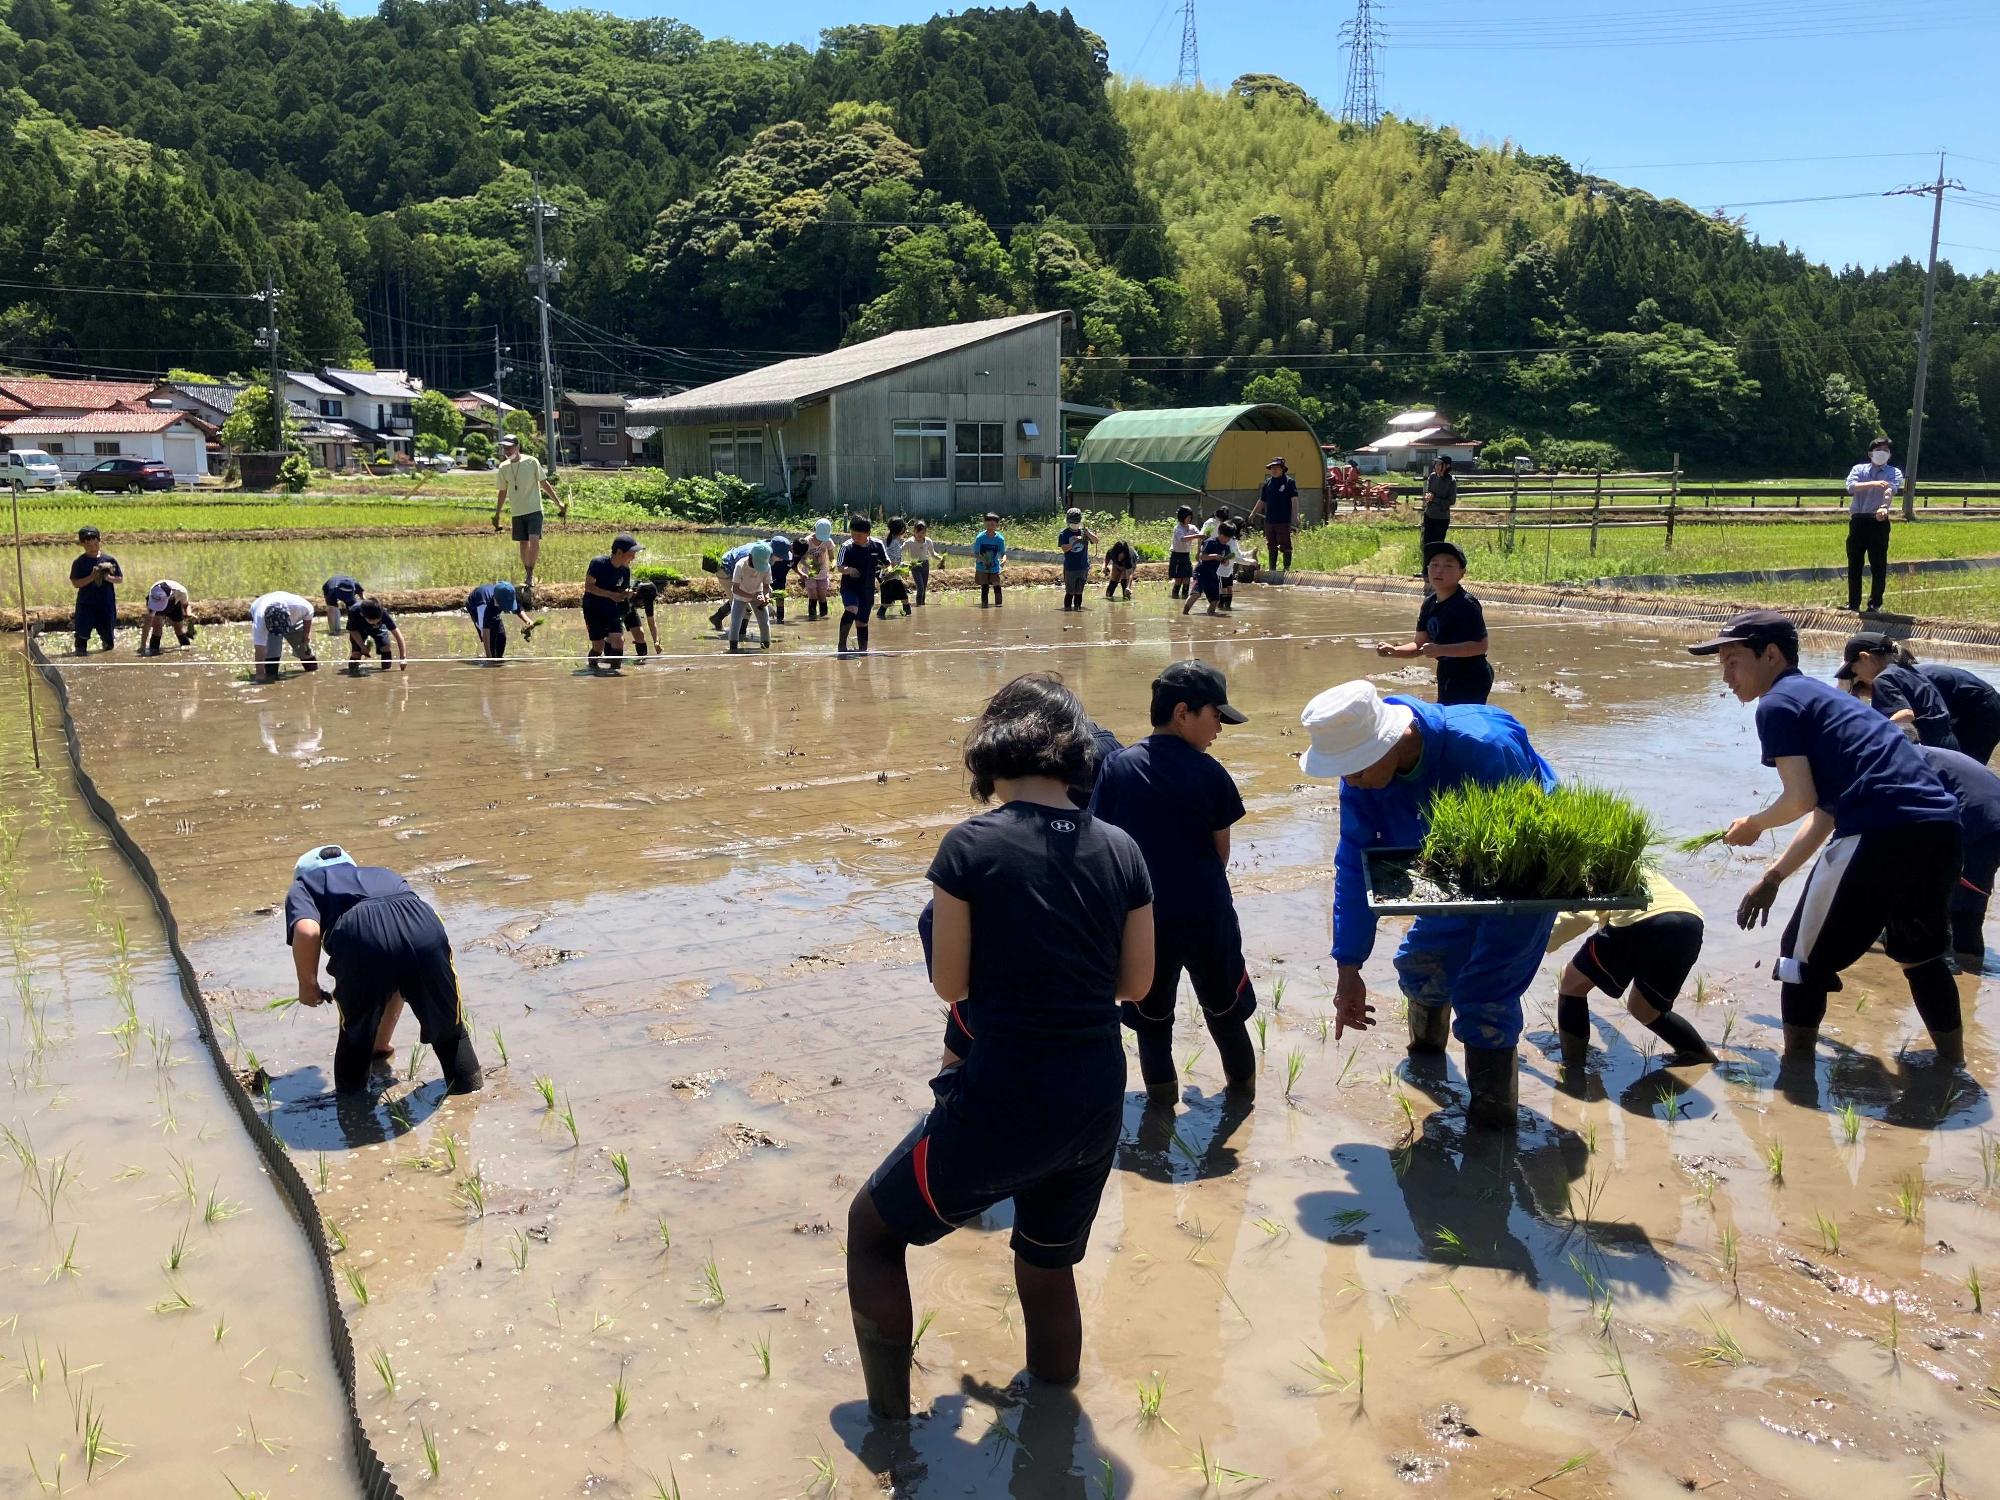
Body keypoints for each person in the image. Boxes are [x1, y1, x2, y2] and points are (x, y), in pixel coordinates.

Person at [845, 675, 1153, 1420]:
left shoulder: (969, 846)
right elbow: (1135, 985)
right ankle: (1054, 1419)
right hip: (1095, 1094)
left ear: (989, 752)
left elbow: (949, 981)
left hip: (1006, 1092)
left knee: (873, 1230)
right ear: (1076, 757)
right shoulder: (1120, 848)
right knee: (1048, 1265)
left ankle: (890, 1424)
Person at [1690, 609, 1965, 1067]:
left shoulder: (1778, 704)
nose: (1726, 675)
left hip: (1883, 832)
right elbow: (1824, 813)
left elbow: (1798, 799)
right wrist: (1775, 876)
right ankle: (1953, 1070)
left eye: (1733, 661)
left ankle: (1794, 1086)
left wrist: (1755, 823)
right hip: (1938, 829)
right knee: (1920, 954)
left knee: (1799, 962)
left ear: (1771, 655)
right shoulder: (1825, 700)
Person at [1301, 679, 1561, 1127]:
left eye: (1356, 769)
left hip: (1524, 874)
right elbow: (1353, 864)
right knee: (1421, 968)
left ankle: (1491, 1134)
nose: (1351, 782)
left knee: (1485, 996)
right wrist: (1349, 967)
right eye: (1343, 771)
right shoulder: (1362, 778)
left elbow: (1520, 850)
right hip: (1444, 864)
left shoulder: (1484, 746)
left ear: (1394, 739)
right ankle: (1428, 1070)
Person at [1089, 661, 1256, 1108]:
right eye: (1216, 716)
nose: (1220, 727)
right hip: (1207, 917)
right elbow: (1220, 851)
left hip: (1144, 925)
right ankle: (1242, 1104)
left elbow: (1103, 846)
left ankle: (1160, 1114)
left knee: (1152, 1024)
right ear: (1183, 713)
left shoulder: (1118, 769)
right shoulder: (1210, 773)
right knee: (1226, 1017)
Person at [283, 844, 483, 1096]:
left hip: (360, 933)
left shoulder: (304, 885)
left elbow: (307, 930)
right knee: (449, 1030)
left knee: (355, 1036)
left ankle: (354, 1115)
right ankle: (470, 1097)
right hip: (422, 923)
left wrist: (308, 986)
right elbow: (394, 965)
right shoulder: (383, 873)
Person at [1547, 870, 1713, 1073]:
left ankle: (1574, 1070)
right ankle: (1701, 1056)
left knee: (1572, 982)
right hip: (1689, 922)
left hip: (1640, 921)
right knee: (1643, 1008)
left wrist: (1536, 946)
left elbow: (1580, 917)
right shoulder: (1634, 859)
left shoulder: (1587, 865)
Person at [1377, 541, 1492, 705]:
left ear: (1462, 573)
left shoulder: (1466, 604)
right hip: (1446, 671)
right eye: (1434, 564)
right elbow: (1419, 645)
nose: (1439, 570)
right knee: (1446, 717)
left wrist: (1441, 649)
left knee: (1460, 722)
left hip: (1472, 674)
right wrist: (1395, 651)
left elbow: (1480, 646)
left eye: (1448, 566)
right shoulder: (1429, 604)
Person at [1842, 632, 1957, 749]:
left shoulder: (1882, 679)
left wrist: (1872, 734)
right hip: (1949, 741)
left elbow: (1906, 715)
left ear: (1864, 657)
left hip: (1929, 746)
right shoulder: (1907, 671)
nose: (1857, 675)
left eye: (1854, 669)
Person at [491, 434, 567, 603]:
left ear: (518, 447)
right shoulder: (503, 467)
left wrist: (559, 503)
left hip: (534, 509)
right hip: (517, 512)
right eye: (505, 448)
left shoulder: (531, 462)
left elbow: (544, 483)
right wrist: (497, 513)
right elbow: (502, 491)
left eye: (510, 447)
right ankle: (527, 571)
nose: (507, 450)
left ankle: (530, 574)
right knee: (523, 543)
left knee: (534, 540)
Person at [1844, 436, 1901, 613]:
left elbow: (1890, 490)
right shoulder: (1859, 469)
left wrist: (1884, 506)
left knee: (1878, 564)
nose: (1882, 453)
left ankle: (1875, 603)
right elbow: (1851, 487)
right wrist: (1874, 483)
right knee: (1854, 564)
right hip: (1858, 520)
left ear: (1890, 455)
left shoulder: (1894, 472)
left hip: (1878, 522)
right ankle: (1853, 604)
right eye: (1879, 450)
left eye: (1886, 450)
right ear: (1870, 453)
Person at [1914, 657, 2000, 764]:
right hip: (1976, 704)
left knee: (1966, 766)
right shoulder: (1906, 674)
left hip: (1982, 708)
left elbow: (1932, 724)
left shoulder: (1904, 680)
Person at [582, 535, 641, 673]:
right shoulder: (598, 563)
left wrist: (628, 593)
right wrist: (611, 595)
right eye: (631, 553)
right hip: (593, 608)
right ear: (619, 552)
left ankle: (614, 673)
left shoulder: (625, 570)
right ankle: (592, 670)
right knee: (598, 647)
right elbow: (588, 587)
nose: (633, 557)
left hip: (611, 608)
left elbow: (621, 589)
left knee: (618, 641)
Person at [838, 515, 889, 655]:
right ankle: (841, 645)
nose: (855, 537)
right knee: (852, 608)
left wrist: (890, 571)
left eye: (859, 535)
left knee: (862, 622)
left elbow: (886, 563)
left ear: (868, 534)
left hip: (867, 589)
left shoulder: (877, 545)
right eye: (853, 534)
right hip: (850, 587)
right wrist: (849, 570)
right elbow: (840, 566)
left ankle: (863, 651)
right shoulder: (846, 546)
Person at [69, 526, 122, 655]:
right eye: (88, 544)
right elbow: (76, 583)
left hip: (106, 604)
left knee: (108, 639)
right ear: (82, 544)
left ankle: (108, 657)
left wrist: (107, 577)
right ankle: (80, 658)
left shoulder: (109, 560)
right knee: (81, 636)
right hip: (86, 604)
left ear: (99, 541)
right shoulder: (79, 562)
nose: (92, 546)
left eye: (95, 542)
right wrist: (92, 577)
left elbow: (119, 579)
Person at [249, 591, 318, 679]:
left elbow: (309, 613)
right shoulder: (260, 621)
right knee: (272, 654)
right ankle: (271, 676)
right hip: (266, 617)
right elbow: (260, 649)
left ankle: (313, 674)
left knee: (304, 650)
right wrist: (260, 674)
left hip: (294, 621)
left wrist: (306, 634)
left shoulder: (300, 607)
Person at [1248, 456, 1298, 572]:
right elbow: (1262, 500)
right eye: (1272, 468)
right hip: (1270, 520)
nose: (1274, 470)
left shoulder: (1289, 482)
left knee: (1285, 545)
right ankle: (1272, 569)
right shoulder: (1268, 484)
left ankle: (1286, 568)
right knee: (1271, 545)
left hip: (1283, 520)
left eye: (1276, 468)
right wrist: (1253, 514)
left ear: (1282, 469)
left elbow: (1294, 499)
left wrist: (1295, 515)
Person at [466, 579, 535, 659]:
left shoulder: (507, 593)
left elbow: (518, 609)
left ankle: (499, 658)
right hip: (475, 604)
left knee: (501, 637)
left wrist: (528, 621)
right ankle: (489, 658)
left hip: (493, 604)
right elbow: (485, 632)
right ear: (497, 601)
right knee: (491, 637)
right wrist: (489, 658)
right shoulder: (484, 607)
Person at [728, 541, 774, 652]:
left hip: (757, 594)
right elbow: (735, 588)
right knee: (735, 623)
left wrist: (766, 596)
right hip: (740, 595)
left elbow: (767, 586)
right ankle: (733, 649)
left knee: (765, 623)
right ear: (750, 556)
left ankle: (765, 648)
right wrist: (751, 597)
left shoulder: (766, 567)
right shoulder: (741, 565)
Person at [346, 596, 406, 672]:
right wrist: (362, 647)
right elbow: (353, 631)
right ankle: (353, 673)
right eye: (371, 621)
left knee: (386, 647)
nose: (374, 623)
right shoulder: (354, 612)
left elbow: (398, 635)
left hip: (378, 629)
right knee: (356, 653)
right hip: (359, 629)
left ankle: (386, 672)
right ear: (362, 614)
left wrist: (403, 658)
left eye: (377, 620)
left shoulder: (383, 613)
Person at [1057, 508, 1098, 612]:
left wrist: (1088, 533)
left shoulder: (1084, 532)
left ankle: (1077, 610)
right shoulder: (1064, 533)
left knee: (1079, 592)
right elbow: (1064, 548)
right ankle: (1067, 611)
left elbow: (1096, 540)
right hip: (1070, 567)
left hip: (1083, 567)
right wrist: (1075, 542)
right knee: (1070, 592)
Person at [141, 580, 195, 656]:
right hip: (157, 601)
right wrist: (142, 647)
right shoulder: (153, 598)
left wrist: (188, 613)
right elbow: (147, 625)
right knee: (157, 628)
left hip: (175, 604)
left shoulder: (181, 591)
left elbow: (186, 605)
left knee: (179, 628)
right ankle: (153, 650)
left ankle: (187, 648)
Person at [1421, 456, 1458, 557]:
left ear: (1447, 466)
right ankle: (1425, 571)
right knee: (1426, 544)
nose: (1436, 466)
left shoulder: (1451, 481)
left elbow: (1451, 501)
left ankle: (1435, 572)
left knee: (1437, 546)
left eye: (1439, 464)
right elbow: (1429, 492)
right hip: (1429, 515)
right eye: (1436, 464)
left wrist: (1434, 499)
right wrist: (1428, 496)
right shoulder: (1432, 476)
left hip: (1441, 518)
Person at [802, 518, 837, 621]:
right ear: (815, 530)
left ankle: (823, 618)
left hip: (823, 572)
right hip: (810, 574)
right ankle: (812, 619)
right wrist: (809, 566)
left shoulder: (828, 541)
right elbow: (802, 558)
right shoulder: (807, 541)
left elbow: (832, 557)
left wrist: (833, 564)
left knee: (822, 596)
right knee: (812, 596)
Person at [1185, 528, 1226, 616]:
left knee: (1215, 600)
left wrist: (1225, 561)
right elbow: (1202, 556)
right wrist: (1214, 556)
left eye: (1228, 538)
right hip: (1201, 572)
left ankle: (1210, 614)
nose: (1226, 540)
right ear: (1219, 533)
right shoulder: (1210, 542)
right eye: (1224, 537)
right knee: (1196, 594)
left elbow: (1225, 562)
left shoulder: (1226, 546)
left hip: (1212, 574)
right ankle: (1184, 614)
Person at [972, 513, 1007, 607]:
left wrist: (1004, 560)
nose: (990, 526)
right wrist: (983, 560)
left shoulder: (1000, 539)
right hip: (982, 566)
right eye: (988, 524)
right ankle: (984, 605)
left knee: (997, 586)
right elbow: (975, 554)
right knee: (985, 586)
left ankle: (999, 606)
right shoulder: (980, 538)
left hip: (994, 566)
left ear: (997, 525)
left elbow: (1003, 553)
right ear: (984, 524)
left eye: (993, 524)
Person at [906, 520, 941, 607]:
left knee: (924, 587)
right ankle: (919, 606)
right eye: (919, 533)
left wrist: (940, 557)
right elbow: (900, 549)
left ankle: (922, 606)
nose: (921, 536)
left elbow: (933, 553)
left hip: (925, 565)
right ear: (914, 531)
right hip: (915, 566)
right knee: (920, 587)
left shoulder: (928, 541)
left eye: (923, 533)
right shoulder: (909, 541)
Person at [624, 580, 660, 660]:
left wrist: (656, 641)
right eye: (643, 601)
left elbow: (651, 622)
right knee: (615, 639)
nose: (643, 604)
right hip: (614, 609)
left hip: (629, 610)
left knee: (640, 635)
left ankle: (641, 663)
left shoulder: (648, 601)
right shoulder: (626, 592)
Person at [1168, 505, 1199, 600]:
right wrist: (1196, 536)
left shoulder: (1192, 527)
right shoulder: (1178, 528)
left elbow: (1199, 533)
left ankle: (1184, 599)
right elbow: (1182, 539)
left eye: (1190, 517)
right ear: (1182, 517)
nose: (1189, 519)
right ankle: (1175, 597)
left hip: (1186, 555)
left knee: (1187, 579)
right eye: (1187, 517)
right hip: (1177, 555)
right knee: (1178, 580)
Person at [766, 533, 793, 623]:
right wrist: (768, 606)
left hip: (780, 578)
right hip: (765, 578)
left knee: (780, 598)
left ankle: (780, 621)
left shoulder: (786, 552)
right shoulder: (763, 557)